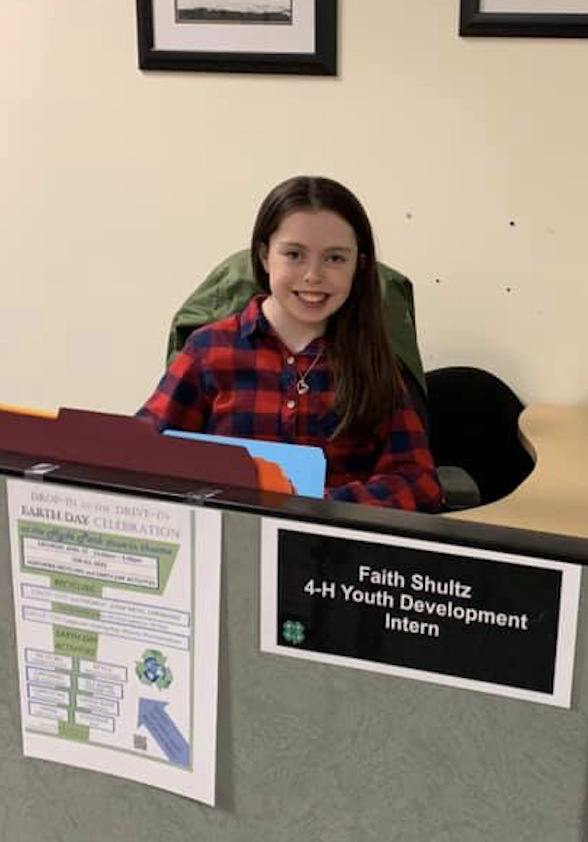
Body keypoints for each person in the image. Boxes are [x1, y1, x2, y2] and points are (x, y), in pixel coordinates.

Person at [137, 175, 441, 512]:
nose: (313, 275)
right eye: (294, 254)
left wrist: (322, 506)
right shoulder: (209, 350)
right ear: (265, 256)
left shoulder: (372, 359)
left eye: (335, 258)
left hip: (327, 539)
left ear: (359, 264)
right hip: (231, 537)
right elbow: (140, 456)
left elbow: (419, 482)